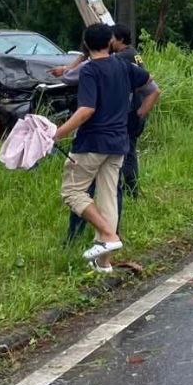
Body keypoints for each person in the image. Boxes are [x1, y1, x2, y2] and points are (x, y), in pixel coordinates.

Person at [52, 24, 154, 271]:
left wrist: (57, 133)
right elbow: (151, 85)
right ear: (110, 42)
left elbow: (87, 109)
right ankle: (103, 263)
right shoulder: (124, 66)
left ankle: (109, 236)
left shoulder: (90, 71)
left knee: (72, 192)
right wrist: (139, 114)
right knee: (109, 196)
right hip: (119, 142)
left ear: (86, 45)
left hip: (93, 142)